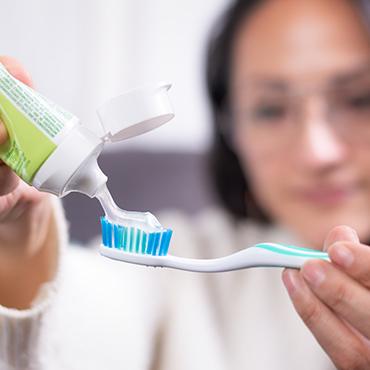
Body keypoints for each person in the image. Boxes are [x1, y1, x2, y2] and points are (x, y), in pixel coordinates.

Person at [1, 0, 370, 368]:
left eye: (359, 100)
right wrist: (25, 234)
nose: (318, 152)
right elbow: (83, 325)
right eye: (270, 109)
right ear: (232, 132)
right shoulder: (188, 271)